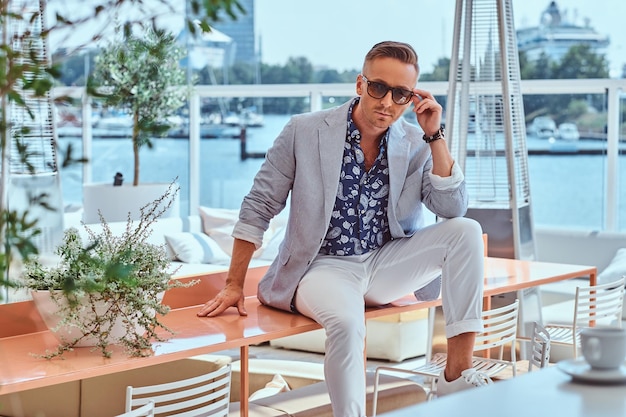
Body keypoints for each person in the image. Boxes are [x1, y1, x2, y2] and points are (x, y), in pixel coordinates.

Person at [198, 40, 489, 417]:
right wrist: (235, 283)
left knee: (466, 230)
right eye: (378, 87)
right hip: (321, 268)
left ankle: (457, 374)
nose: (386, 102)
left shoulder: (417, 141)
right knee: (349, 326)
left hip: (384, 263)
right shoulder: (304, 130)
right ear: (359, 84)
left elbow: (451, 207)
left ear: (411, 98)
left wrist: (435, 135)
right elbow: (259, 205)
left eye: (400, 94)